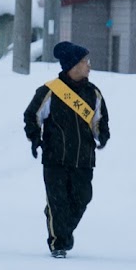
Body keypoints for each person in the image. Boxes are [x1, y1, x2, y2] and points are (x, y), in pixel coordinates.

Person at [24, 42, 110, 258]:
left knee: (82, 198)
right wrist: (35, 138)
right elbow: (32, 115)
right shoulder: (50, 91)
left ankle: (60, 225)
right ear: (72, 65)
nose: (88, 66)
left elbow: (100, 120)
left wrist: (103, 136)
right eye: (84, 62)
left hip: (84, 159)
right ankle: (58, 242)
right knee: (58, 201)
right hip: (55, 158)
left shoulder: (93, 93)